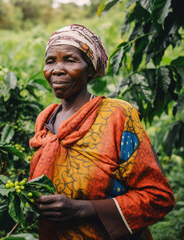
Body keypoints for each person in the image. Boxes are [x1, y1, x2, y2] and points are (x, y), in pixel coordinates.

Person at [28, 24, 175, 240]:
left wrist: (83, 209)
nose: (57, 69)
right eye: (51, 61)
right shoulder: (45, 120)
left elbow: (158, 197)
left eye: (70, 60)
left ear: (90, 69)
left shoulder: (117, 115)